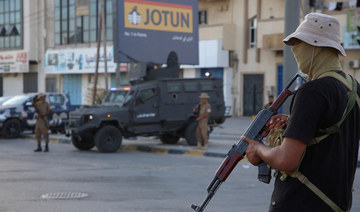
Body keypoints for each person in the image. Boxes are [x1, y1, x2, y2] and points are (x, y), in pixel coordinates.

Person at [243, 13, 360, 211]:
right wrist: (294, 120)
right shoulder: (353, 89)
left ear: (316, 45)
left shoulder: (312, 91)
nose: (294, 49)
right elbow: (334, 130)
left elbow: (286, 160)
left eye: (299, 42)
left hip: (300, 204)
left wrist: (258, 149)